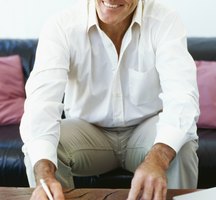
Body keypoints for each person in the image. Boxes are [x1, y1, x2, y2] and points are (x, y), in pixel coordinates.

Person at [20, 0, 200, 199]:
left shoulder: (164, 20)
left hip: (145, 131)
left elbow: (182, 96)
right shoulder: (62, 26)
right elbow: (42, 104)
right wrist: (44, 175)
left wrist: (158, 158)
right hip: (88, 133)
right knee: (39, 148)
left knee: (180, 144)